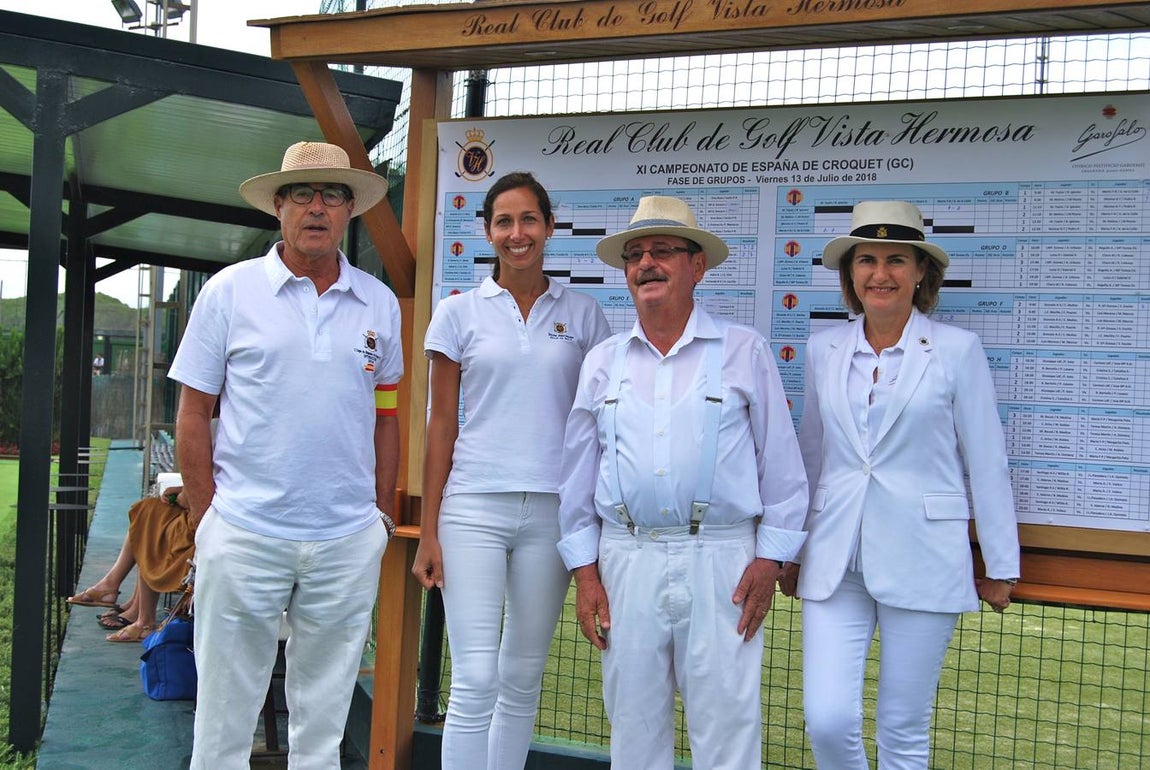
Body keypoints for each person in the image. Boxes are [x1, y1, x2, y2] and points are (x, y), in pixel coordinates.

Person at [168, 141, 403, 769]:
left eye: (332, 194)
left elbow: (387, 419)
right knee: (222, 725)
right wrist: (205, 520)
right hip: (244, 535)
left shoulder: (378, 303)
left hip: (346, 542)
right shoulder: (228, 292)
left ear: (351, 209)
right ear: (279, 206)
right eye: (303, 193)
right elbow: (192, 414)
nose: (317, 207)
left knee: (322, 733)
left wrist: (378, 517)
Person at [557, 195, 809, 769]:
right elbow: (576, 477)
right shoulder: (602, 363)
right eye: (636, 255)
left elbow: (785, 472)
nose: (647, 263)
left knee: (726, 731)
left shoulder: (744, 351)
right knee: (634, 729)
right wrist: (585, 570)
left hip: (723, 562)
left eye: (663, 251)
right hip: (628, 557)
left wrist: (770, 560)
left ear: (697, 266)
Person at [779, 200, 1020, 769]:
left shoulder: (958, 351)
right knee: (828, 720)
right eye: (866, 259)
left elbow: (987, 461)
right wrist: (791, 548)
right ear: (851, 273)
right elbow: (812, 455)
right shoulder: (822, 350)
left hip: (924, 558)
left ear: (920, 273)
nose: (879, 274)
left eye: (895, 260)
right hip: (835, 562)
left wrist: (1001, 563)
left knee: (903, 731)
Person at [412, 171, 611, 770]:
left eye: (529, 220)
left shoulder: (585, 314)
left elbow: (598, 429)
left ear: (550, 227)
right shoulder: (457, 314)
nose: (517, 233)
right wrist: (428, 531)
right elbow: (440, 424)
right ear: (486, 231)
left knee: (523, 676)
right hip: (472, 508)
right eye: (504, 221)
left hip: (555, 513)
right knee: (474, 678)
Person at [66, 483, 195, 642]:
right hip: (206, 510)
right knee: (148, 509)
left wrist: (183, 495)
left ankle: (142, 618)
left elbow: (200, 494)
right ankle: (130, 602)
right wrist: (182, 489)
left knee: (151, 523)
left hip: (206, 517)